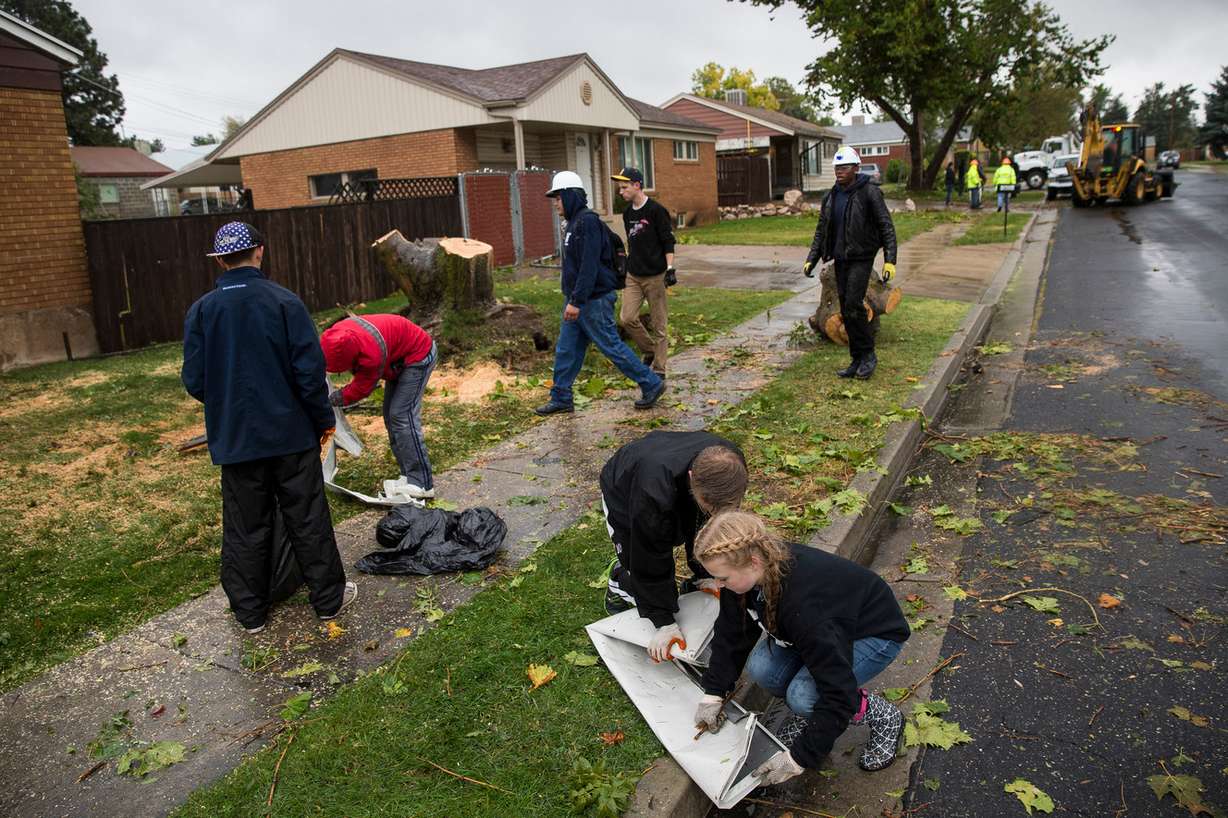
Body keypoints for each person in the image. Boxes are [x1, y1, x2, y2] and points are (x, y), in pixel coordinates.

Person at [182, 221, 356, 634]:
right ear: (260, 251)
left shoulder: (203, 310)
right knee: (308, 516)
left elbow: (195, 379)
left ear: (221, 260)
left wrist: (228, 408)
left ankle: (250, 614)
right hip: (291, 435)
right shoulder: (285, 302)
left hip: (237, 440)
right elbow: (309, 374)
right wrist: (321, 420)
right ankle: (328, 603)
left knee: (244, 525)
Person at [692, 510, 910, 783]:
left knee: (804, 695)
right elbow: (732, 631)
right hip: (822, 634)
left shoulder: (805, 606)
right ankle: (812, 717)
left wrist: (799, 758)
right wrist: (713, 693)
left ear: (754, 561)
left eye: (722, 578)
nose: (718, 585)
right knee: (762, 668)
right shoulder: (750, 576)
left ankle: (884, 716)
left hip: (874, 635)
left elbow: (837, 693)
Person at [599, 431, 747, 661]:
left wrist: (710, 573)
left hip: (671, 475)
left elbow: (708, 528)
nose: (716, 512)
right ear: (691, 478)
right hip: (627, 488)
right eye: (710, 505)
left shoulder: (731, 463)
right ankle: (619, 580)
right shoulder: (651, 494)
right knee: (641, 553)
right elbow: (649, 554)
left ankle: (700, 577)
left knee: (704, 525)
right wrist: (663, 620)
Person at [535, 171, 665, 416]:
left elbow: (589, 265)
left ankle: (651, 383)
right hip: (577, 299)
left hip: (591, 300)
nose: (555, 203)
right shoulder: (573, 224)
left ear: (571, 196)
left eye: (558, 198)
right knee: (566, 349)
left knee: (611, 346)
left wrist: (576, 301)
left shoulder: (588, 222)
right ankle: (561, 397)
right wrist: (572, 299)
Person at [802, 146, 898, 381]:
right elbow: (821, 230)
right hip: (841, 259)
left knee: (855, 305)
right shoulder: (831, 195)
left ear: (856, 168)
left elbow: (886, 226)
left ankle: (868, 356)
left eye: (844, 167)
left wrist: (890, 260)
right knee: (846, 309)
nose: (839, 171)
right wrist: (811, 258)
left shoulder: (869, 192)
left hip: (862, 257)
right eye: (837, 167)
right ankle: (856, 359)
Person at [320, 313, 437, 502]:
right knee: (391, 417)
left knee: (401, 416)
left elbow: (361, 388)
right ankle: (408, 475)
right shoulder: (335, 335)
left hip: (418, 356)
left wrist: (334, 399)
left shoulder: (371, 355)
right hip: (397, 359)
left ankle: (422, 483)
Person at [611, 167, 676, 381]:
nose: (620, 192)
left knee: (659, 324)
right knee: (627, 318)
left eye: (624, 187)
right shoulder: (628, 213)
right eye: (620, 188)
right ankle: (650, 350)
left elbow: (668, 241)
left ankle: (659, 369)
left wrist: (669, 269)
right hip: (634, 275)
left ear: (637, 185)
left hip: (655, 275)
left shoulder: (657, 211)